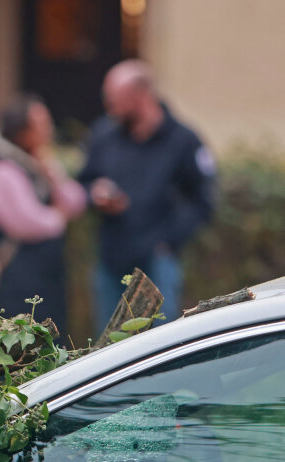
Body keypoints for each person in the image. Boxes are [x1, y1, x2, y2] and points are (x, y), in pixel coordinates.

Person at [79, 59, 216, 329]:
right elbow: (83, 183)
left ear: (140, 95)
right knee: (109, 349)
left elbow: (203, 200)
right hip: (111, 260)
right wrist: (95, 194)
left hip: (157, 262)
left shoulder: (183, 140)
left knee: (161, 345)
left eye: (114, 99)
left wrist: (168, 242)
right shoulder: (103, 136)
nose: (109, 107)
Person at [0, 94, 87, 335]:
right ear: (21, 131)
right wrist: (59, 217)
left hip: (48, 278)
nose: (48, 132)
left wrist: (53, 173)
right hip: (18, 280)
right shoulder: (0, 170)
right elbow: (24, 223)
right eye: (41, 125)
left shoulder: (37, 162)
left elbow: (76, 201)